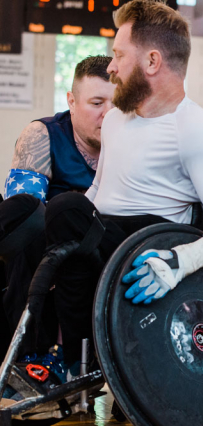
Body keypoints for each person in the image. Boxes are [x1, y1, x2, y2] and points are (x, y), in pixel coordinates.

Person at [28, 0, 203, 380]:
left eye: (118, 55)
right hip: (105, 237)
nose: (111, 67)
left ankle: (100, 365)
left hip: (150, 248)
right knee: (35, 218)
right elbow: (98, 190)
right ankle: (66, 360)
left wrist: (178, 261)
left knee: (66, 211)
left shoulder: (195, 129)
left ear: (151, 62)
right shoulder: (116, 118)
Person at [0, 55, 115, 361]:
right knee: (29, 219)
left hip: (101, 252)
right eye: (96, 103)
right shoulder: (41, 135)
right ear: (72, 102)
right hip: (44, 249)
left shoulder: (133, 145)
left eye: (116, 104)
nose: (108, 114)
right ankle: (30, 357)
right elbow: (25, 213)